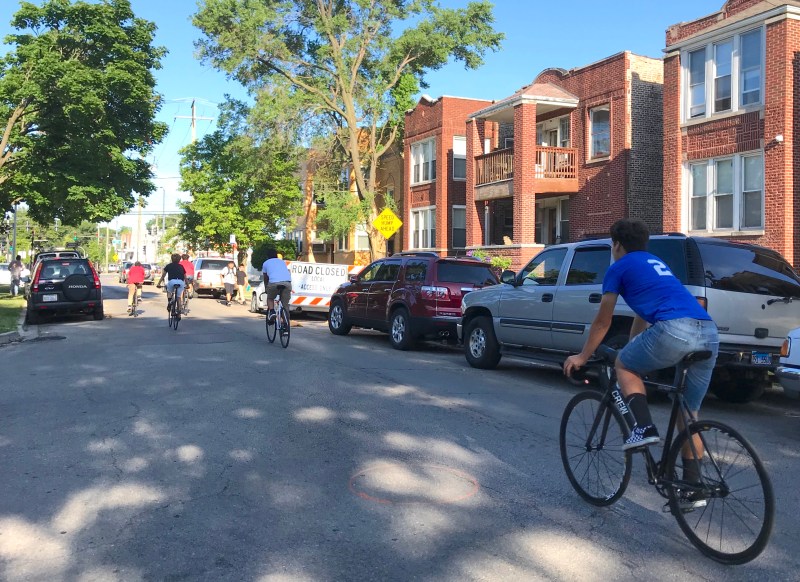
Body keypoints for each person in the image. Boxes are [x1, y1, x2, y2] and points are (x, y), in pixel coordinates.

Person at [563, 219, 719, 505]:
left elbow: (603, 321)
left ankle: (643, 428)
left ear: (617, 244)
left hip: (675, 330)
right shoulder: (655, 262)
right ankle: (693, 487)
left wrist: (583, 355)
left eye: (613, 244)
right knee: (689, 417)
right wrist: (635, 344)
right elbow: (643, 312)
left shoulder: (618, 267)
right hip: (708, 332)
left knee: (624, 365)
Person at [261, 248, 292, 321]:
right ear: (276, 255)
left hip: (274, 283)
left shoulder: (266, 263)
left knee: (270, 298)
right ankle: (286, 323)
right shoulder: (282, 262)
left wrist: (266, 288)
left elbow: (266, 277)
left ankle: (272, 312)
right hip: (287, 283)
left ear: (267, 256)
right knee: (285, 304)